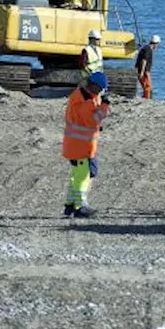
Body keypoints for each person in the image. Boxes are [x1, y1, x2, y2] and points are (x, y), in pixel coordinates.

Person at [62, 70, 110, 218]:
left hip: (73, 145)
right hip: (82, 147)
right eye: (100, 89)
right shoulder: (85, 103)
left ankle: (69, 205)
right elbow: (94, 119)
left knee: (76, 175)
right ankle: (80, 206)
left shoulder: (79, 95)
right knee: (84, 176)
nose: (101, 92)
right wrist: (105, 106)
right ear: (95, 86)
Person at [136, 34, 160, 99]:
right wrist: (142, 72)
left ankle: (145, 98)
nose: (157, 47)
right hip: (145, 71)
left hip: (141, 70)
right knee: (147, 87)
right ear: (156, 43)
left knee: (145, 87)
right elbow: (144, 60)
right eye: (157, 45)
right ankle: (147, 99)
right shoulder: (148, 49)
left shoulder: (145, 48)